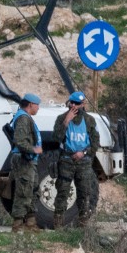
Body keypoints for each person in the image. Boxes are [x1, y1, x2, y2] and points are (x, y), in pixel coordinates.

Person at [52, 91, 100, 227]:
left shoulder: (90, 120)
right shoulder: (61, 118)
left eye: (77, 104)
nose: (74, 106)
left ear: (83, 104)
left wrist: (84, 152)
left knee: (84, 192)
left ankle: (82, 224)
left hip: (83, 161)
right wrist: (66, 122)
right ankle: (58, 225)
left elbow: (95, 143)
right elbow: (56, 138)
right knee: (62, 192)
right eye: (71, 103)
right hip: (66, 159)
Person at [9, 92, 43, 233]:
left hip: (29, 160)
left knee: (32, 190)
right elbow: (20, 141)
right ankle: (17, 226)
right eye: (37, 105)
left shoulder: (25, 117)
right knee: (23, 192)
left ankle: (30, 223)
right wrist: (34, 150)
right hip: (24, 159)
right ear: (30, 105)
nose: (38, 108)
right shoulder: (23, 118)